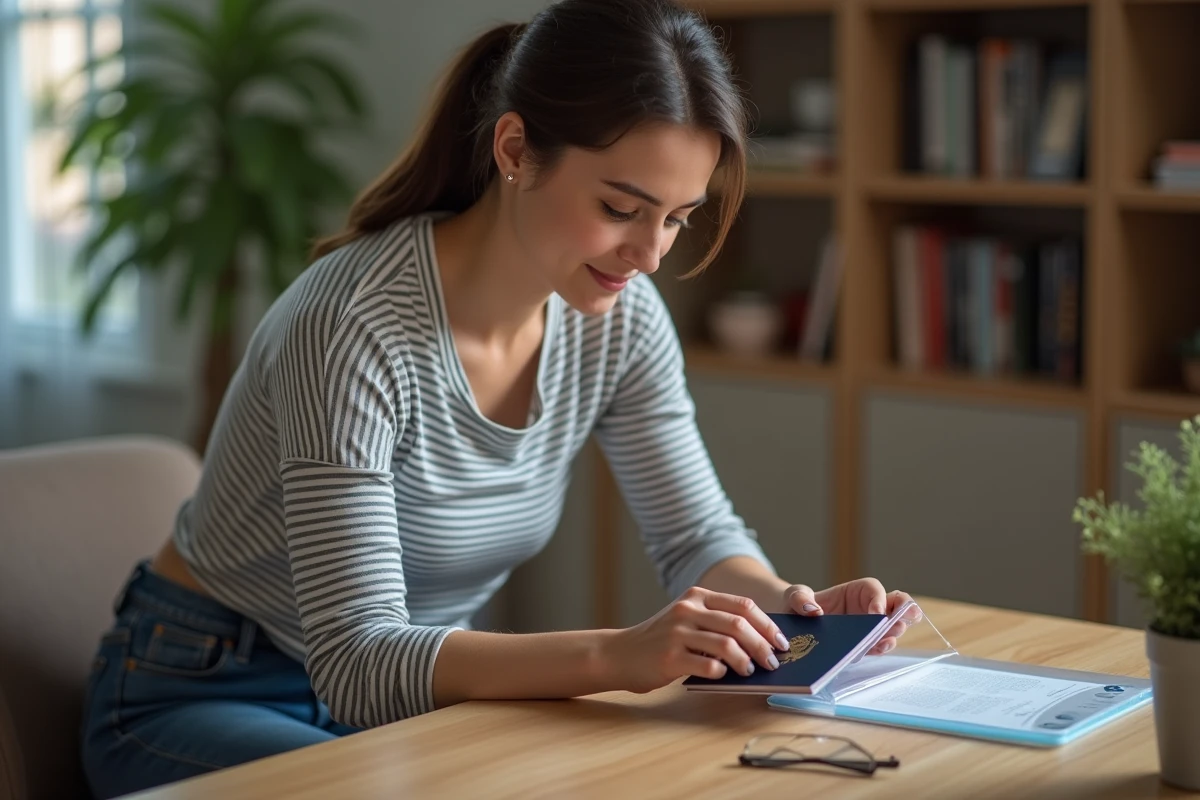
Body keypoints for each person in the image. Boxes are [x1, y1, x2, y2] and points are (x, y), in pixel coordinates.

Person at [80, 0, 915, 796]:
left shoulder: (620, 318)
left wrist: (786, 612)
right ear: (515, 150)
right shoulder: (351, 328)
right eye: (621, 208)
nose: (649, 255)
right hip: (207, 687)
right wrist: (622, 656)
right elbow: (357, 663)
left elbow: (695, 535)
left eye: (676, 219)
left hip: (415, 699)